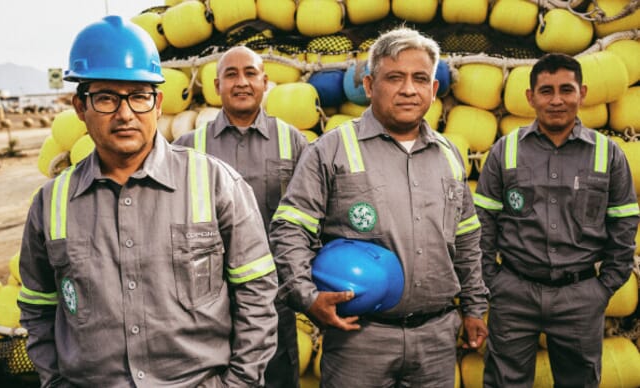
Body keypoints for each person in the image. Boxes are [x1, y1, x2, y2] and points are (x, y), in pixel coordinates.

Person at [17, 15, 278, 388]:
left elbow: (257, 293)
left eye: (138, 97)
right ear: (80, 107)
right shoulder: (51, 203)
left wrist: (237, 382)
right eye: (106, 98)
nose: (125, 114)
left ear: (157, 103)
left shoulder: (216, 183)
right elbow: (38, 308)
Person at [268, 26, 489, 387]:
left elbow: (466, 238)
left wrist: (475, 307)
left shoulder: (449, 154)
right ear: (369, 86)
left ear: (433, 90)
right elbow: (290, 227)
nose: (408, 89)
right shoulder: (331, 148)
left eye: (420, 79)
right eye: (394, 78)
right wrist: (307, 298)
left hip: (436, 339)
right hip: (361, 340)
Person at [474, 52, 639, 387]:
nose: (557, 100)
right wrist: (493, 279)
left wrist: (603, 287)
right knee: (505, 381)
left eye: (567, 89)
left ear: (583, 93)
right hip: (514, 292)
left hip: (579, 294)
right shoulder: (505, 150)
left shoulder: (608, 154)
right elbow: (482, 222)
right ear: (530, 97)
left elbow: (624, 224)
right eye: (546, 91)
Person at [174, 45, 308, 388]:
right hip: (208, 304)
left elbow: (309, 217)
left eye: (250, 73)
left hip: (274, 299)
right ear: (216, 86)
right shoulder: (190, 146)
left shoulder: (291, 141)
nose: (241, 82)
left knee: (278, 378)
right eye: (231, 75)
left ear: (265, 82)